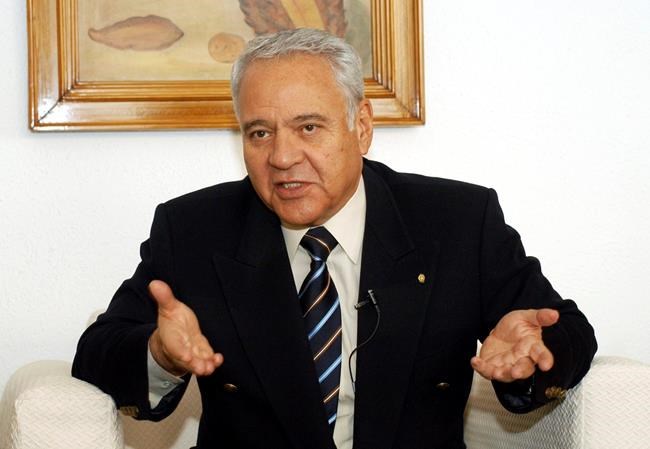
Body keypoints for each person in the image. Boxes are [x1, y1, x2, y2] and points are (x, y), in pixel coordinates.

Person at [72, 28, 597, 449]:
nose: (281, 157)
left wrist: (533, 353)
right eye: (260, 132)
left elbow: (567, 330)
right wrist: (160, 355)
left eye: (308, 127)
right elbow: (98, 351)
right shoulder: (194, 229)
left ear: (361, 126)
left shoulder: (456, 221)